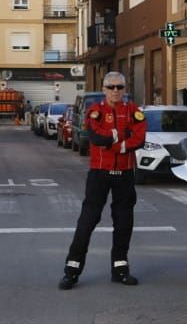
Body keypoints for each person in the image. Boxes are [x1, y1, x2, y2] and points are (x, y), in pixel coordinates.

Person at [60, 72, 146, 289]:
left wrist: (117, 142)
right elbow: (96, 138)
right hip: (99, 173)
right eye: (111, 87)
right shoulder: (95, 111)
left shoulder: (133, 112)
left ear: (125, 89)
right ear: (104, 89)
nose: (115, 91)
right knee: (87, 222)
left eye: (119, 87)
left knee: (124, 223)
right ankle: (71, 271)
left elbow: (139, 139)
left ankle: (120, 269)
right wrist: (120, 137)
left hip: (125, 173)